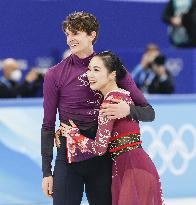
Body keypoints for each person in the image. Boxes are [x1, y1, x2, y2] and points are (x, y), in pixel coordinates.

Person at [41, 11, 155, 205]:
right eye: (68, 34)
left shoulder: (112, 69)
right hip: (69, 159)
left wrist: (128, 110)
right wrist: (46, 173)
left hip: (104, 158)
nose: (70, 39)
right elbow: (47, 125)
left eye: (76, 33)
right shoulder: (55, 74)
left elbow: (149, 112)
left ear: (92, 35)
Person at [58, 51, 164, 205]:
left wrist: (73, 134)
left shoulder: (110, 102)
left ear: (112, 75)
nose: (90, 75)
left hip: (131, 168)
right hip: (132, 165)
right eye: (89, 69)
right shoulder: (121, 95)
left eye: (96, 70)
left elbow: (100, 148)